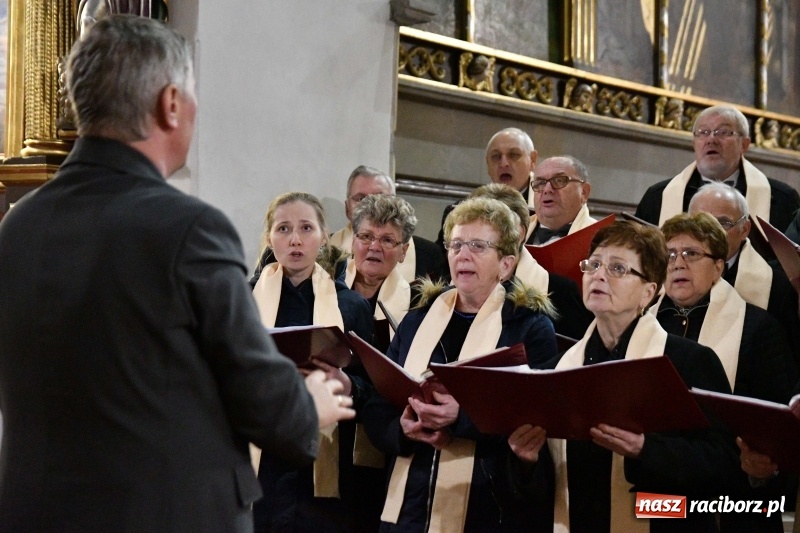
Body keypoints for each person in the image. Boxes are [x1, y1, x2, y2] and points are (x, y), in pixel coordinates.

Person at [0, 15, 352, 532]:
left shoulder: (18, 226)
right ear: (170, 103)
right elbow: (256, 391)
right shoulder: (189, 228)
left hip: (37, 511)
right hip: (165, 513)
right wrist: (310, 404)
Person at [509, 220, 739, 532]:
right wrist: (526, 461)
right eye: (594, 265)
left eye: (618, 268)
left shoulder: (688, 362)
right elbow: (540, 487)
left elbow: (724, 463)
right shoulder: (554, 370)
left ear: (649, 292)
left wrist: (647, 450)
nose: (598, 275)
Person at [362, 197, 559, 532]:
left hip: (483, 506)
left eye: (478, 246)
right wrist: (402, 428)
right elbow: (378, 401)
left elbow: (534, 420)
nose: (462, 255)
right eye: (455, 244)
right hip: (408, 507)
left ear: (506, 264)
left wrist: (460, 418)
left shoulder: (528, 328)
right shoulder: (418, 318)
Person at [653, 212, 797, 531]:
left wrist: (763, 469)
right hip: (659, 498)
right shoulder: (643, 325)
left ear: (719, 267)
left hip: (733, 501)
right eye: (670, 254)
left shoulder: (759, 330)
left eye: (691, 253)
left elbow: (778, 422)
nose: (678, 263)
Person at [250, 191, 381, 533]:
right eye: (283, 229)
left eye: (306, 228)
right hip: (258, 458)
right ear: (269, 238)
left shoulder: (350, 306)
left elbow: (374, 386)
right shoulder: (243, 297)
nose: (295, 239)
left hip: (322, 465)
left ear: (323, 237)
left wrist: (348, 384)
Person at [634, 105, 800, 234]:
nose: (711, 139)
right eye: (703, 132)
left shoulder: (782, 199)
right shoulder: (657, 198)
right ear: (694, 144)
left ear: (744, 144)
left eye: (723, 132)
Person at [688, 182, 800, 370]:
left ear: (745, 229)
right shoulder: (670, 278)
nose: (711, 233)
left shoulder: (776, 285)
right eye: (700, 223)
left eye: (723, 223)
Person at [468, 183, 592, 340]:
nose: (472, 243)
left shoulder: (559, 293)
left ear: (519, 233)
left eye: (488, 229)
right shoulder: (444, 290)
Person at [328, 165, 446, 284]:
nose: (371, 205)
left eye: (380, 198)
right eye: (360, 198)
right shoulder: (324, 248)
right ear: (347, 207)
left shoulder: (429, 254)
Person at [435, 127, 538, 251]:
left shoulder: (547, 209)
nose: (504, 163)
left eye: (513, 155)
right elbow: (441, 261)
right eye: (496, 156)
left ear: (532, 160)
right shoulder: (457, 212)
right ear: (487, 164)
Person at [343, 194, 416, 334]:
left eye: (387, 240)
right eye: (366, 236)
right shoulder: (327, 287)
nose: (375, 247)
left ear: (403, 251)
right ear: (353, 242)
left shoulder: (416, 307)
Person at [526, 155, 595, 245]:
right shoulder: (514, 235)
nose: (547, 189)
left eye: (559, 180)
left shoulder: (603, 239)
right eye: (540, 183)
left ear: (584, 192)